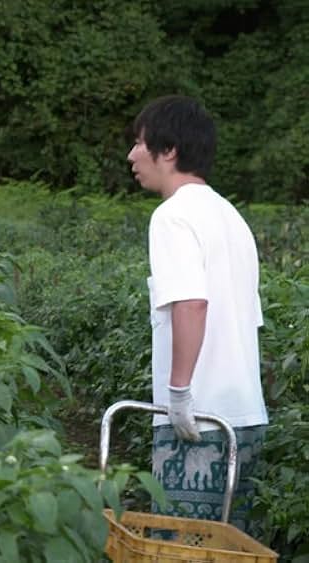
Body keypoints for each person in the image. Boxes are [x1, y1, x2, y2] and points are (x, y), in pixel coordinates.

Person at [127, 95, 268, 534]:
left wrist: (180, 394)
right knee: (224, 548)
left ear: (168, 151)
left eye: (139, 142)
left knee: (181, 548)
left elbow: (191, 304)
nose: (131, 155)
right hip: (244, 416)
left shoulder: (173, 216)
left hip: (199, 420)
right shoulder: (230, 217)